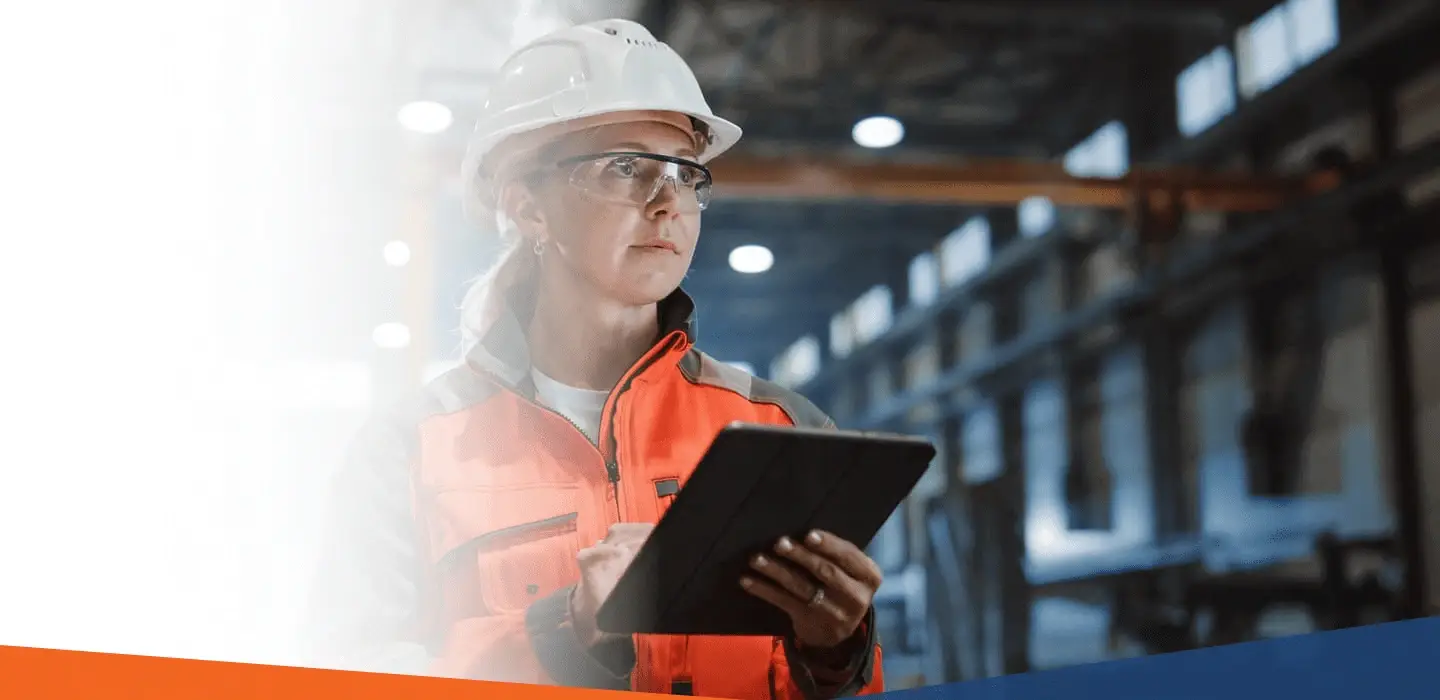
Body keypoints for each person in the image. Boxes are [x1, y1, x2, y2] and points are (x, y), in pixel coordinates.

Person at [305, 18, 886, 699]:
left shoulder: (781, 429)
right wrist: (562, 633)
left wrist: (837, 652)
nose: (668, 201)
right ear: (529, 208)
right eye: (627, 167)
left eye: (685, 171)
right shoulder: (410, 452)